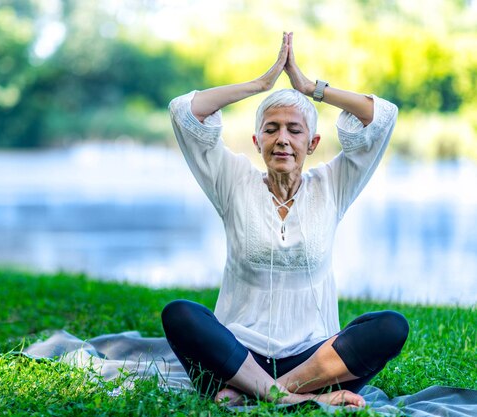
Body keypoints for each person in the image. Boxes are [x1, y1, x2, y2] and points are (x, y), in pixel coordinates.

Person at [161, 32, 408, 407]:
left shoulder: (333, 185)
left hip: (314, 361)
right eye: (272, 129)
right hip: (237, 355)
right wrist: (260, 84)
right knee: (180, 313)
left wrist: (311, 88)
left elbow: (382, 115)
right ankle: (288, 398)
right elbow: (184, 111)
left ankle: (265, 394)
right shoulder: (232, 180)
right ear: (257, 140)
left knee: (391, 326)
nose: (282, 140)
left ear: (312, 143)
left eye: (294, 130)